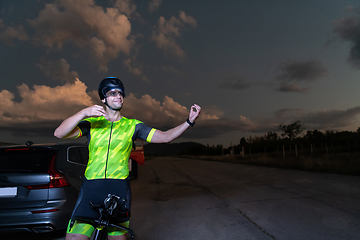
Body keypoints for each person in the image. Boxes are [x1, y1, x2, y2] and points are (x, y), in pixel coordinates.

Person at [54, 77, 201, 240]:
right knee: (74, 237)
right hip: (92, 187)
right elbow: (59, 133)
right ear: (103, 99)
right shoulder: (91, 123)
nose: (119, 96)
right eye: (112, 93)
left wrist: (189, 121)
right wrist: (84, 112)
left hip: (118, 188)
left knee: (117, 237)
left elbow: (165, 137)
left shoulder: (133, 126)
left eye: (121, 93)